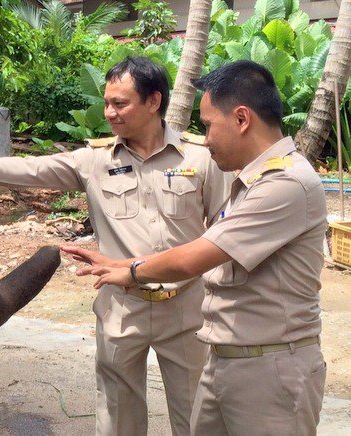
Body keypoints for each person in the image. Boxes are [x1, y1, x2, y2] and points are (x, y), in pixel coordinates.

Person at [0, 57, 232, 436]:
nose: (109, 112)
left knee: (197, 418)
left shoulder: (200, 158)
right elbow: (33, 169)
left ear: (153, 102)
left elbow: (224, 233)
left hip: (186, 308)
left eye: (120, 104)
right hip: (122, 307)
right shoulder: (94, 160)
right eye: (107, 102)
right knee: (117, 418)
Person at [69, 60, 327, 435]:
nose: (203, 140)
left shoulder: (286, 183)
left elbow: (196, 256)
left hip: (270, 369)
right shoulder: (250, 182)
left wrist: (131, 270)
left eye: (207, 125)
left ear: (241, 119)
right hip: (225, 359)